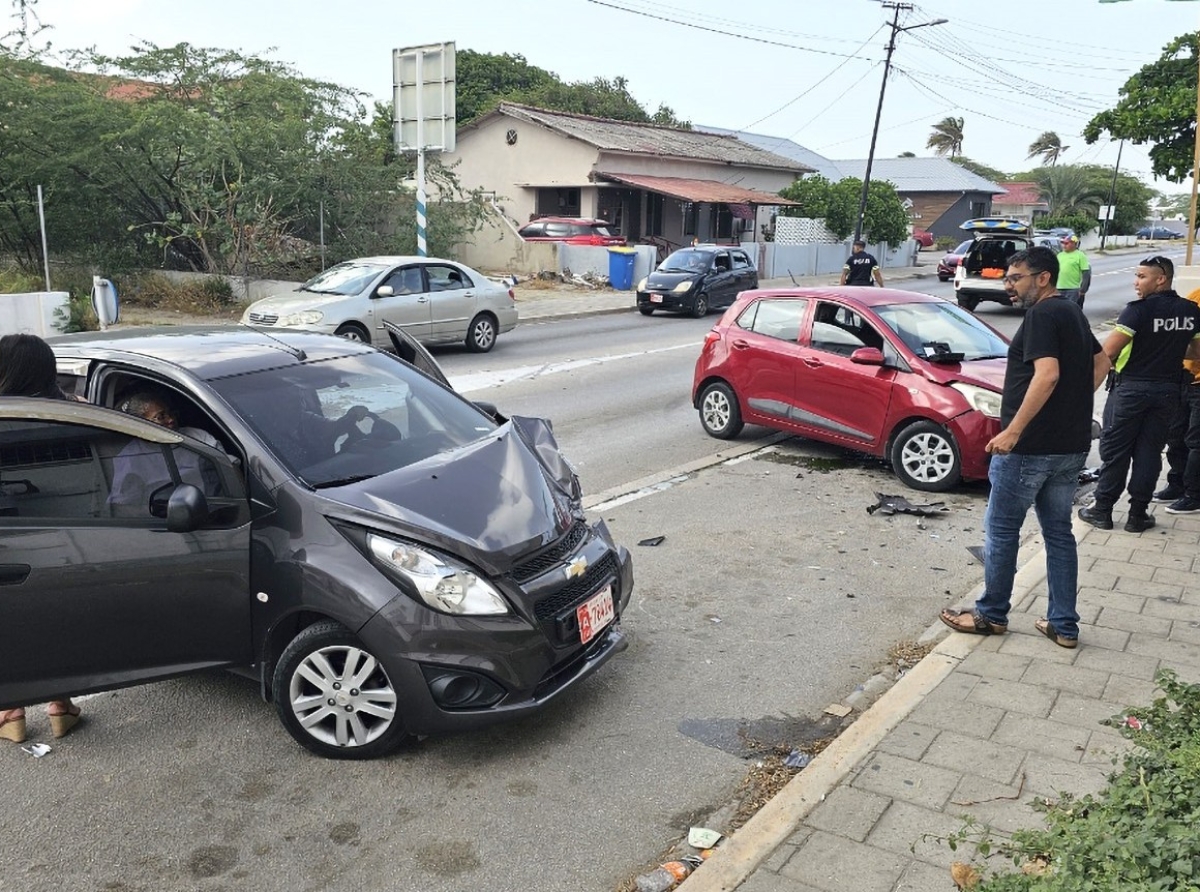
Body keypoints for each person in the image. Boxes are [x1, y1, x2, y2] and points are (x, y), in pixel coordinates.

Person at [939, 247, 1109, 649]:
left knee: (1001, 531)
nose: (1008, 286)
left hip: (1030, 449)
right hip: (1069, 447)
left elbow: (1046, 375)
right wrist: (1072, 406)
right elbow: (1103, 362)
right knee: (1059, 535)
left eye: (1015, 278)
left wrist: (1013, 431)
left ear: (1043, 278)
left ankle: (991, 615)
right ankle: (1064, 625)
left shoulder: (1042, 315)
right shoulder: (1071, 311)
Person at [0, 333, 83, 743]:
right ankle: (59, 705)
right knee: (54, 619)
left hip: (6, 537)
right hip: (63, 533)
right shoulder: (71, 414)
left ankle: (10, 712)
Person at [1079, 255, 1200, 532]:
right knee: (1149, 452)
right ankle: (1138, 515)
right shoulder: (1190, 310)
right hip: (1169, 392)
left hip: (1131, 390)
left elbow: (1109, 352)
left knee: (1116, 451)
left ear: (1161, 279)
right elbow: (1196, 352)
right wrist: (1167, 349)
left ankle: (1103, 510)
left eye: (1142, 277)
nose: (1136, 282)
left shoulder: (1137, 311)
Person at [109, 390, 222, 510]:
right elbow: (124, 506)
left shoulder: (199, 437)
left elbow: (229, 468)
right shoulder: (129, 458)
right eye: (161, 416)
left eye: (170, 413)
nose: (170, 419)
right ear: (141, 423)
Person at [1056, 234, 1091, 307]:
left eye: (1066, 243)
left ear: (1074, 244)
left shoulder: (1080, 255)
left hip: (1073, 289)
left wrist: (1082, 290)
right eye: (1063, 243)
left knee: (1071, 309)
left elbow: (1086, 273)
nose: (1064, 245)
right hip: (1059, 288)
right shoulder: (1060, 255)